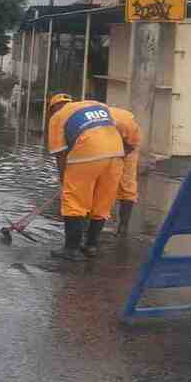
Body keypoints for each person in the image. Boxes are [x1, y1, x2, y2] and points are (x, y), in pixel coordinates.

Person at [46, 93, 124, 259]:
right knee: (102, 202)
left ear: (52, 109)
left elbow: (60, 154)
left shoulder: (57, 118)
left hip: (88, 153)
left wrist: (64, 180)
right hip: (116, 153)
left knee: (74, 201)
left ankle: (72, 249)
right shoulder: (96, 104)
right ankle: (91, 245)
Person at [109, 105, 142, 238]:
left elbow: (130, 145)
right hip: (107, 139)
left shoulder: (123, 124)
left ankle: (123, 226)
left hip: (129, 140)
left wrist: (119, 156)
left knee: (126, 184)